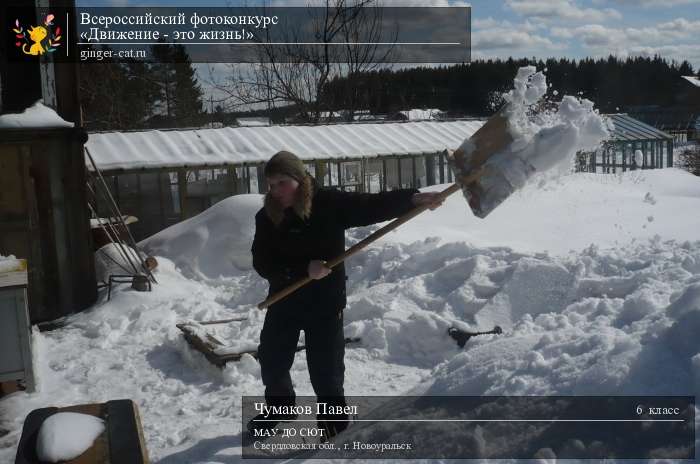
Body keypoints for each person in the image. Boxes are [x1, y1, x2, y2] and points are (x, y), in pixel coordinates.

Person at [248, 150, 444, 438]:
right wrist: (303, 269)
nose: (275, 191)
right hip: (284, 299)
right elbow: (262, 261)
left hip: (324, 303)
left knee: (326, 371)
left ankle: (334, 427)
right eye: (271, 184)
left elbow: (369, 204)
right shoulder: (267, 216)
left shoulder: (328, 203)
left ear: (300, 179)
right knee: (272, 359)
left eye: (282, 182)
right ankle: (281, 407)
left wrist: (412, 199)